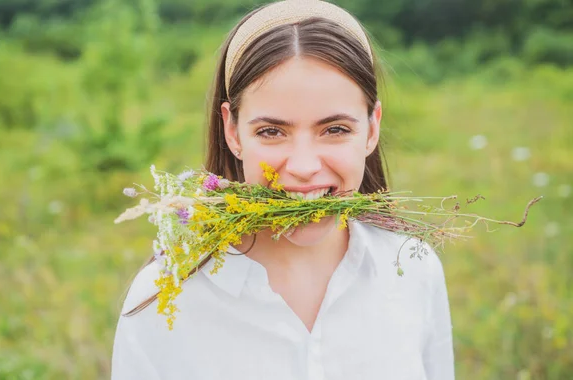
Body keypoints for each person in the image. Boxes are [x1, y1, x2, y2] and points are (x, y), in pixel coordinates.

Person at [111, 0, 455, 379]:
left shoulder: (413, 267)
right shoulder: (164, 298)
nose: (304, 167)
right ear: (232, 131)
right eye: (271, 132)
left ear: (372, 129)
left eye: (335, 129)